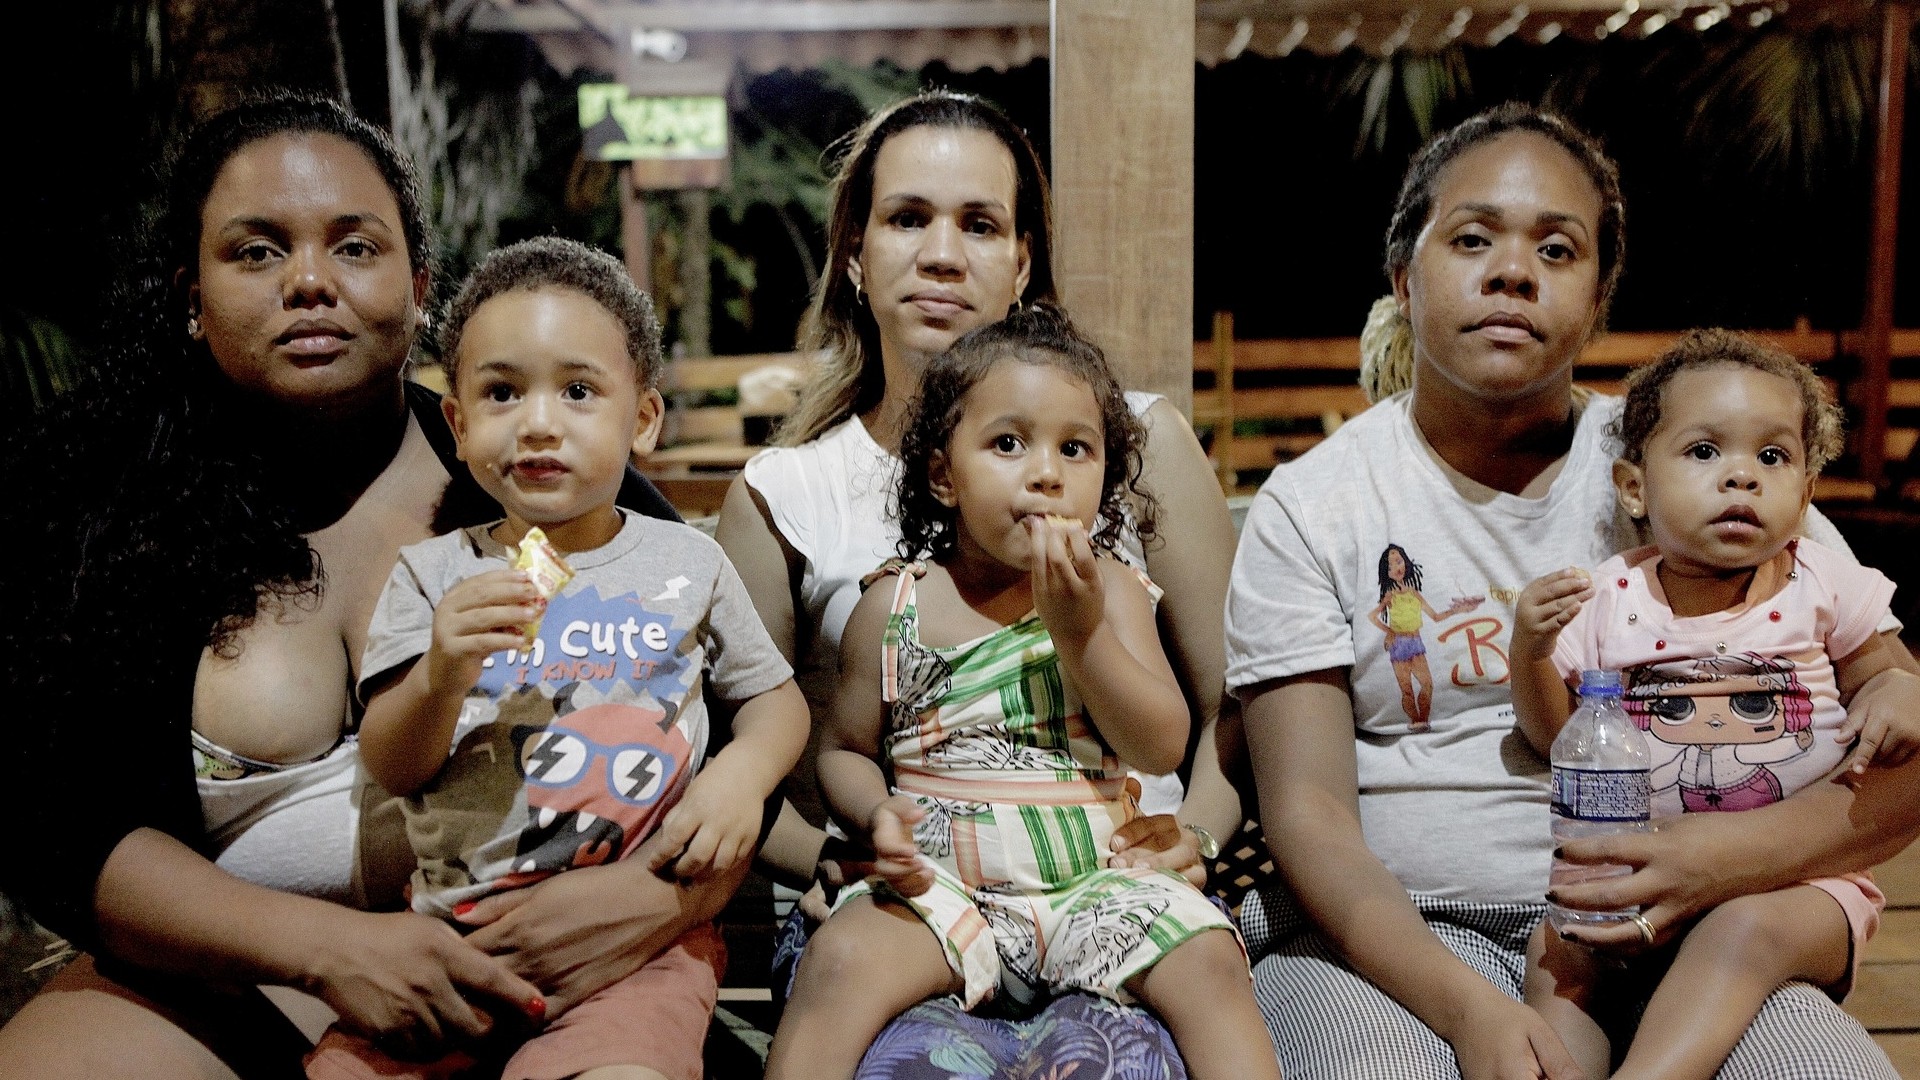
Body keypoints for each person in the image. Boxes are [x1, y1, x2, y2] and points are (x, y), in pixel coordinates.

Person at [0, 97, 740, 1079]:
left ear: (420, 283)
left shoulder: (547, 471)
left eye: (355, 246)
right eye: (257, 251)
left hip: (565, 973)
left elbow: (731, 728)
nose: (310, 281)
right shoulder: (108, 513)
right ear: (190, 296)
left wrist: (664, 903)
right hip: (236, 980)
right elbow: (56, 822)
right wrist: (329, 952)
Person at [1223, 101, 1920, 1080]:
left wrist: (1722, 867)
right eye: (1471, 239)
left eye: (1558, 250)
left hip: (1685, 933)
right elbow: (1308, 814)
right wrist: (1467, 1010)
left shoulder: (1696, 469)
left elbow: (1901, 759)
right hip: (1400, 938)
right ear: (1402, 277)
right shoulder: (1316, 505)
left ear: (1598, 301)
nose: (1513, 272)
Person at [717, 89, 1235, 1077]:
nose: (943, 253)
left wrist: (1197, 840)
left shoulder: (1134, 443)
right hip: (907, 887)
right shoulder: (784, 495)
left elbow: (1226, 711)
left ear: (1024, 261)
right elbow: (761, 763)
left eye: (981, 224)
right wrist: (849, 851)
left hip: (1108, 875)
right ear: (853, 252)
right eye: (908, 219)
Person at [300, 237, 809, 1080]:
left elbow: (776, 702)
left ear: (641, 419)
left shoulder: (686, 564)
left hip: (639, 956)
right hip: (456, 938)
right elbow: (392, 763)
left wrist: (738, 777)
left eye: (578, 391)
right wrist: (439, 676)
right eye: (502, 392)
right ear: (459, 425)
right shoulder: (435, 576)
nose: (539, 422)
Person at [766, 308, 1275, 1080]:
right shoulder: (895, 606)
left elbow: (1160, 742)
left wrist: (1082, 637)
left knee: (1208, 964)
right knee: (839, 961)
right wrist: (874, 816)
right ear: (944, 474)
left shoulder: (1112, 592)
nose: (1046, 472)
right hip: (940, 888)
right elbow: (842, 750)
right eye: (1008, 444)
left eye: (1076, 448)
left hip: (1094, 886)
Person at [1510, 329, 1918, 1080]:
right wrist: (1531, 651)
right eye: (1704, 453)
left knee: (1740, 928)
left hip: (1797, 890)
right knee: (1557, 953)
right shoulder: (1608, 598)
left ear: (1805, 489)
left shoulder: (1822, 585)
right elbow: (1553, 733)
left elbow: (1885, 676)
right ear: (1634, 487)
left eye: (1773, 457)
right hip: (1636, 878)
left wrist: (1897, 687)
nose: (1742, 478)